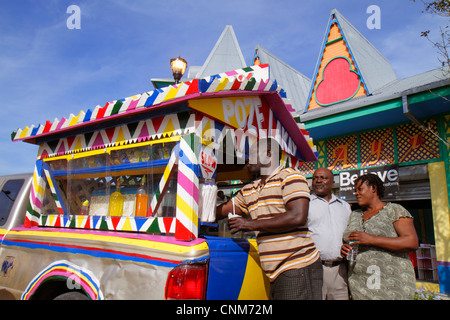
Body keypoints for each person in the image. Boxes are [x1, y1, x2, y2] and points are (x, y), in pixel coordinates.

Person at [216, 138, 322, 300]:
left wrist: (250, 224)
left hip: (296, 266)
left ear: (267, 154)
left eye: (252, 154)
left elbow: (297, 216)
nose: (247, 159)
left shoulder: (290, 177)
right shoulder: (250, 189)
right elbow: (223, 211)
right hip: (274, 273)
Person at [341, 174, 419, 300]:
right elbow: (350, 241)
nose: (356, 193)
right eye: (355, 190)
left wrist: (372, 239)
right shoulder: (354, 215)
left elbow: (411, 242)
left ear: (373, 188)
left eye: (360, 189)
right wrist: (344, 248)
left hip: (390, 284)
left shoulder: (394, 210)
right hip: (360, 284)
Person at [308, 167, 351, 300]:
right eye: (315, 178)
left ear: (333, 183)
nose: (318, 181)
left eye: (323, 178)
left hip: (339, 271)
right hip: (313, 270)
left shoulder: (344, 206)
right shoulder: (305, 204)